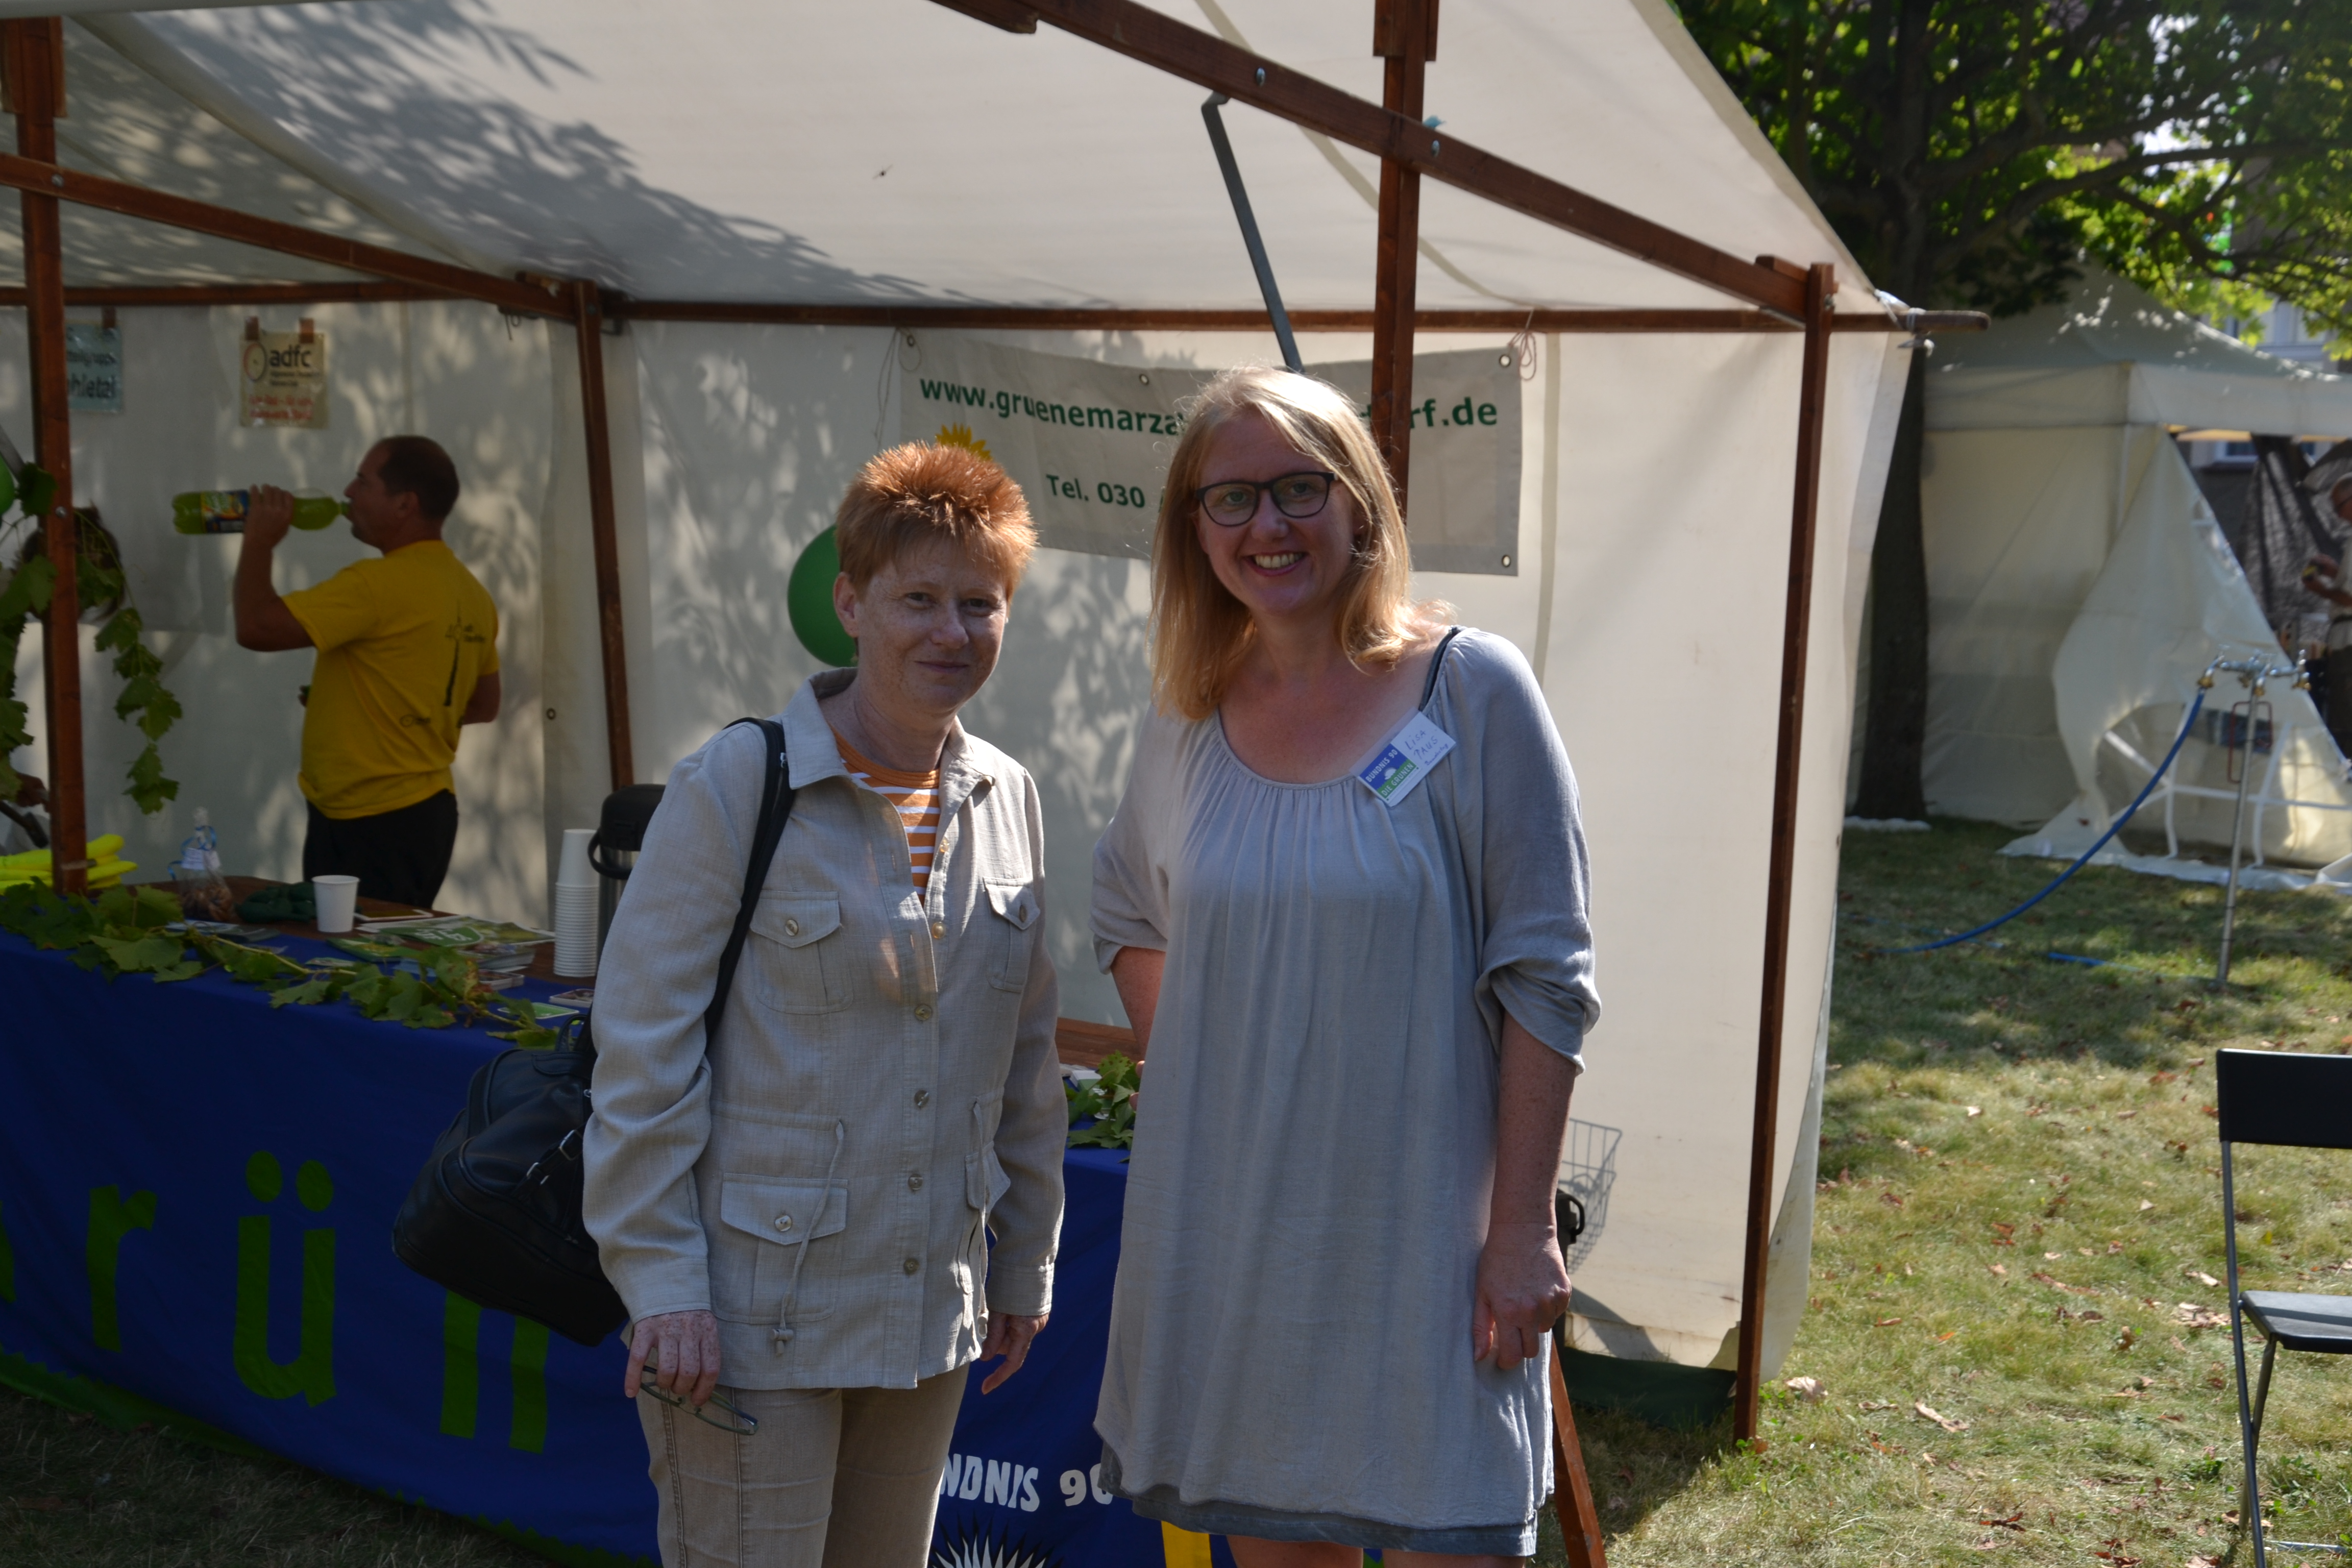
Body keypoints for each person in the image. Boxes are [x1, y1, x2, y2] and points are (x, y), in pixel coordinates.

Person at [1089, 367, 1599, 1566]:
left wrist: (1521, 1226)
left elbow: (1548, 973)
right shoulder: (1186, 712)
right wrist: (1216, 1061)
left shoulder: (1472, 689)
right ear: (1191, 531)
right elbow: (1125, 905)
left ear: (1360, 503)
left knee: (1454, 1530)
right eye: (1229, 499)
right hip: (1240, 1230)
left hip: (1427, 1233)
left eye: (1297, 488)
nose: (1266, 525)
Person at [582, 442, 1065, 1568]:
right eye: (918, 600)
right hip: (750, 1317)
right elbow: (642, 1052)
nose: (952, 633)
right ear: (850, 602)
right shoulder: (736, 784)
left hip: (927, 1304)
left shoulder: (1010, 800)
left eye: (981, 605)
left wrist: (1022, 1262)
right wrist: (661, 1287)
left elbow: (1024, 1058)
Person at [232, 436, 498, 910]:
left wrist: (258, 540)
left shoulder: (376, 585)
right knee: (384, 961)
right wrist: (369, 705)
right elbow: (481, 704)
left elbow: (255, 627)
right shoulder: (470, 591)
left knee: (353, 968)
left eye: (363, 480)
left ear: (404, 504)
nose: (348, 492)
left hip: (370, 821)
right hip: (423, 814)